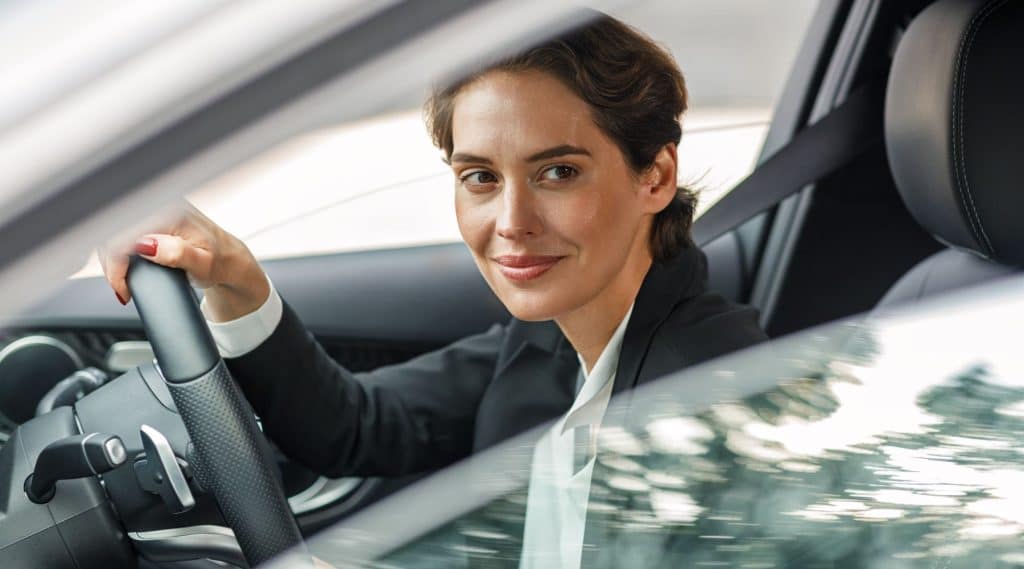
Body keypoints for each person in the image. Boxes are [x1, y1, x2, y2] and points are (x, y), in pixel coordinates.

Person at [101, 13, 767, 568]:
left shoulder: (712, 387)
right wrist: (233, 274)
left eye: (558, 171)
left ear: (654, 176)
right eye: (480, 177)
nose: (511, 223)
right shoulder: (551, 334)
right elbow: (357, 425)